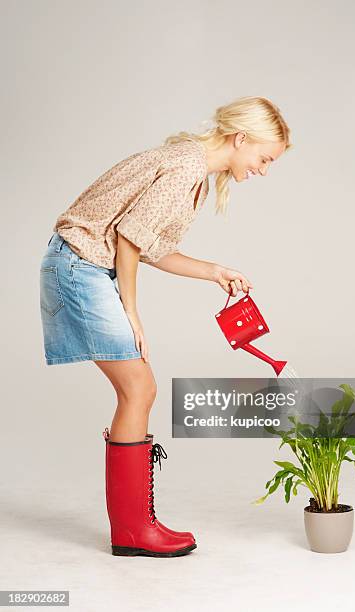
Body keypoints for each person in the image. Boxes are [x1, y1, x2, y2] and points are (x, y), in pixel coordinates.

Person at [39, 95, 292, 558]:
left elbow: (148, 243)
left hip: (83, 265)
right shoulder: (186, 169)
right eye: (263, 158)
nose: (263, 169)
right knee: (140, 389)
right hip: (81, 267)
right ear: (240, 139)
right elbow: (130, 240)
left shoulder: (189, 165)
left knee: (139, 390)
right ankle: (133, 530)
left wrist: (214, 270)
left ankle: (132, 528)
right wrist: (131, 309)